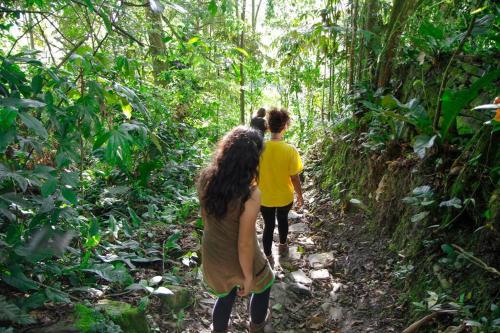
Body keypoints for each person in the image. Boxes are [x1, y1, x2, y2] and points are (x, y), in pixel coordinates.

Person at [198, 126, 274, 333]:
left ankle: (219, 330)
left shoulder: (207, 178)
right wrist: (248, 277)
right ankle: (256, 326)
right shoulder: (250, 194)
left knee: (224, 296)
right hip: (235, 253)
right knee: (265, 282)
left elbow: (205, 217)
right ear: (252, 160)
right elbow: (245, 242)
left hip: (212, 251)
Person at [258, 108, 304, 265]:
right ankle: (283, 247)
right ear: (285, 126)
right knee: (283, 219)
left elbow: (252, 175)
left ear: (268, 127)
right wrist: (300, 195)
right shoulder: (290, 150)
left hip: (264, 197)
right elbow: (295, 177)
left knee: (268, 225)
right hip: (285, 196)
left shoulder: (259, 149)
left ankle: (269, 257)